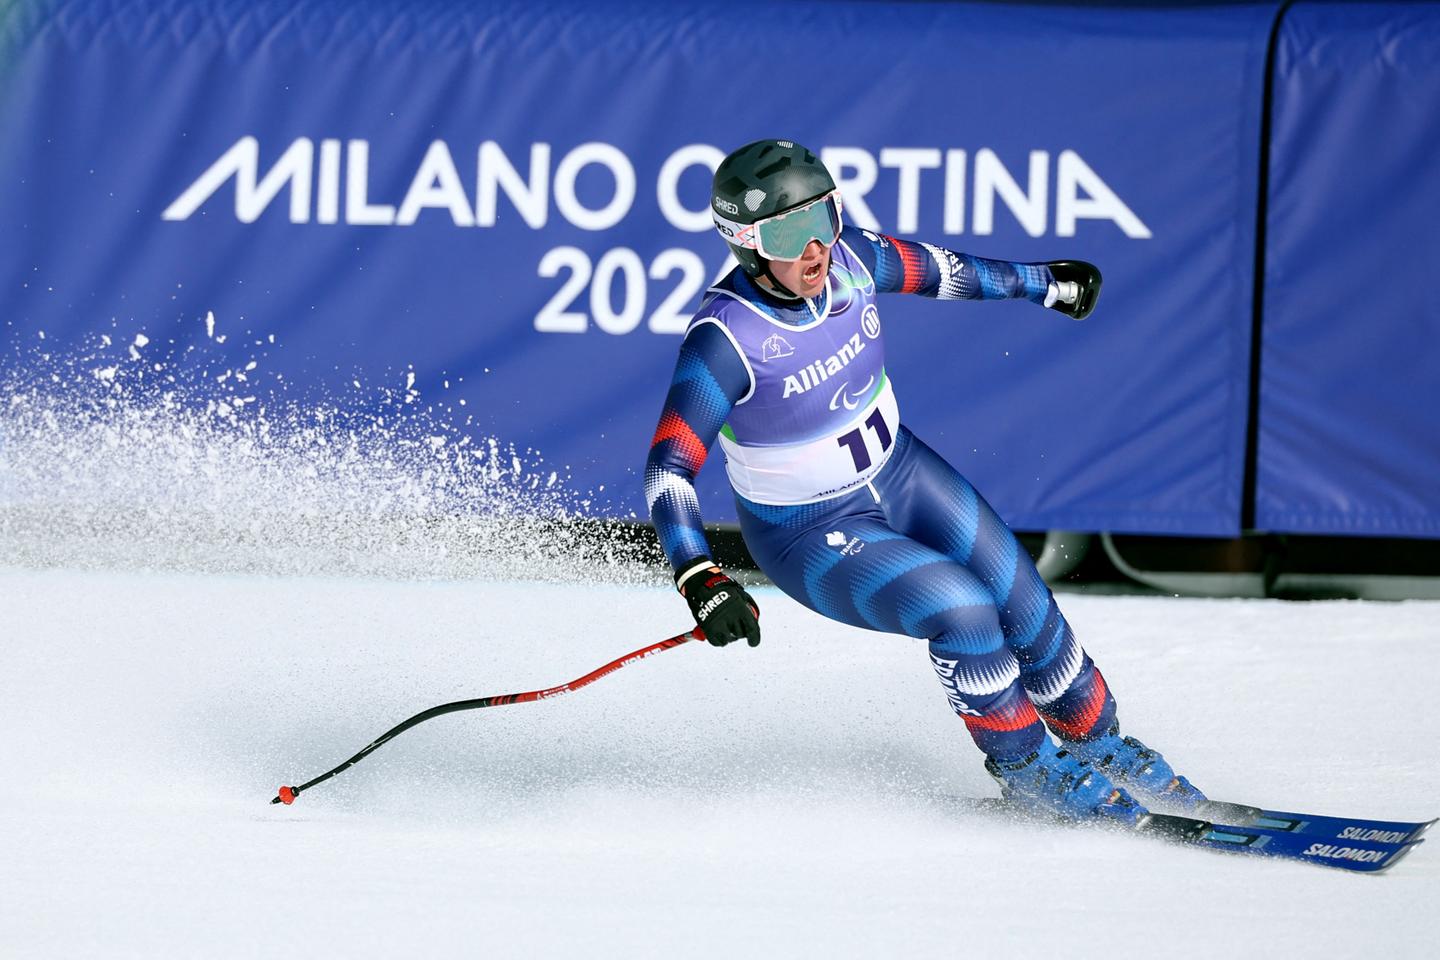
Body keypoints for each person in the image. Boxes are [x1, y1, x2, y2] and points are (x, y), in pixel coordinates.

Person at [644, 138, 1203, 825]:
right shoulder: (725, 338)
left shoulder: (852, 259)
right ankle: (1027, 768)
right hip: (808, 531)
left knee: (1021, 597)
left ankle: (1101, 744)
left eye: (824, 218)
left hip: (900, 471)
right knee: (964, 610)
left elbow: (947, 270)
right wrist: (699, 577)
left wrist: (1045, 284)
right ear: (747, 245)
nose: (816, 247)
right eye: (790, 233)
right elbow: (669, 468)